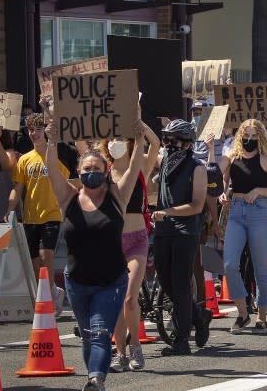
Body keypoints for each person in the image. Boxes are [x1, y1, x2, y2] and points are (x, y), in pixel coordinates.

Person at [43, 118, 144, 391]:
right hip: (77, 282)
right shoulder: (68, 198)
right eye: (86, 169)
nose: (91, 173)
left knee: (100, 333)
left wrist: (139, 134)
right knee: (88, 336)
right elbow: (50, 167)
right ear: (78, 171)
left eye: (96, 169)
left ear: (106, 170)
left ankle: (95, 380)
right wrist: (51, 140)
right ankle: (94, 376)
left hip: (111, 281)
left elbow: (135, 165)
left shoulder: (118, 197)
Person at [217, 119, 267, 334]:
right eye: (246, 135)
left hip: (259, 212)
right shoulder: (231, 156)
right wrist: (222, 193)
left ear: (261, 137)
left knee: (259, 265)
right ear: (240, 136)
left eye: (254, 136)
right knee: (229, 264)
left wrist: (259, 191)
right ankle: (242, 313)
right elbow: (218, 178)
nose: (249, 139)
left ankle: (261, 317)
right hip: (236, 211)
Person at [150, 119, 210, 356]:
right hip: (163, 230)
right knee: (166, 282)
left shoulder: (197, 167)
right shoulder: (164, 162)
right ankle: (198, 315)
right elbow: (149, 151)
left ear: (186, 143)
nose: (167, 144)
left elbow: (197, 205)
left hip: (186, 231)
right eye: (166, 139)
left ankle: (181, 340)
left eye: (172, 140)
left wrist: (169, 212)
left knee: (181, 284)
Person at [7, 111, 75, 313]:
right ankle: (53, 292)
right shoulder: (24, 159)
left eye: (38, 129)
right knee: (36, 264)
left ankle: (49, 303)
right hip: (30, 217)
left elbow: (72, 182)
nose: (34, 133)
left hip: (53, 214)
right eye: (30, 130)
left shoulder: (58, 156)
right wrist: (8, 211)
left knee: (46, 257)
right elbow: (17, 189)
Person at [106, 124, 160, 372]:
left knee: (129, 297)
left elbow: (156, 144)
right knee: (117, 300)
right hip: (112, 242)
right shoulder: (103, 172)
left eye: (119, 137)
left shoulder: (139, 168)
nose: (113, 142)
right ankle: (120, 354)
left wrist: (139, 123)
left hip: (137, 238)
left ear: (128, 142)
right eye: (110, 138)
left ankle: (135, 346)